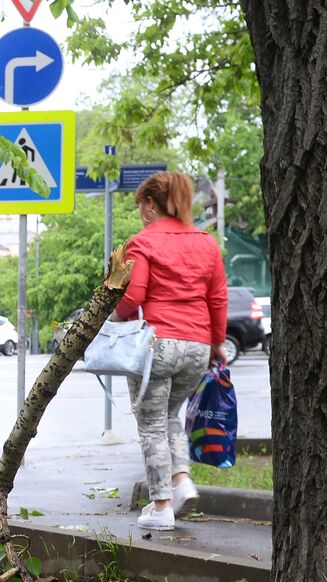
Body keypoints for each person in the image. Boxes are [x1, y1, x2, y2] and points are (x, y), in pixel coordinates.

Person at [114, 171, 228, 531]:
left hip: (157, 346)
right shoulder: (206, 243)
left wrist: (112, 322)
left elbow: (134, 296)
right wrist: (216, 343)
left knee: (150, 424)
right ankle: (181, 480)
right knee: (170, 416)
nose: (139, 213)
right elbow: (217, 298)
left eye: (140, 206)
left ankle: (161, 504)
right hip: (197, 346)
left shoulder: (142, 243)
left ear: (150, 204)